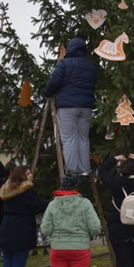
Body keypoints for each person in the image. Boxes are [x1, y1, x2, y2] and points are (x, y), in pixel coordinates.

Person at [43, 37, 97, 176]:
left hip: (67, 107)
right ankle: (85, 170)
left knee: (69, 139)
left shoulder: (64, 64)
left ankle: (72, 172)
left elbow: (54, 82)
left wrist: (47, 93)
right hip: (86, 107)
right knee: (83, 138)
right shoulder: (90, 66)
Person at [41, 172, 102, 267]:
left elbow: (45, 229)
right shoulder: (85, 203)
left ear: (62, 185)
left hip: (58, 248)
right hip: (80, 248)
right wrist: (86, 235)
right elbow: (95, 228)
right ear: (76, 185)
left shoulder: (52, 204)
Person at [0, 166, 48, 267]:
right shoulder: (26, 190)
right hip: (21, 230)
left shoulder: (7, 190)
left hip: (6, 228)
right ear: (22, 176)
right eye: (28, 173)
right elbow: (38, 205)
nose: (31, 175)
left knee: (7, 266)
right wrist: (53, 202)